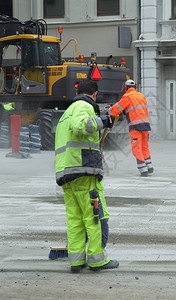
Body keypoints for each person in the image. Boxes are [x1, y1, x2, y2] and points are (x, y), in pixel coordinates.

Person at [55, 79, 119, 272]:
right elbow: (81, 125)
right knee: (95, 218)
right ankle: (97, 260)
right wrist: (105, 121)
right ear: (94, 94)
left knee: (75, 220)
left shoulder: (66, 114)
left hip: (67, 174)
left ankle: (76, 261)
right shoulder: (84, 106)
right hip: (84, 171)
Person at [104, 79, 153, 177]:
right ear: (135, 87)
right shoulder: (142, 96)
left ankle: (143, 170)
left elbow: (116, 110)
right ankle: (150, 167)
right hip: (146, 125)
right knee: (144, 146)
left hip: (135, 126)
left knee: (137, 147)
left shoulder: (127, 96)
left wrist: (108, 110)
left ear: (125, 88)